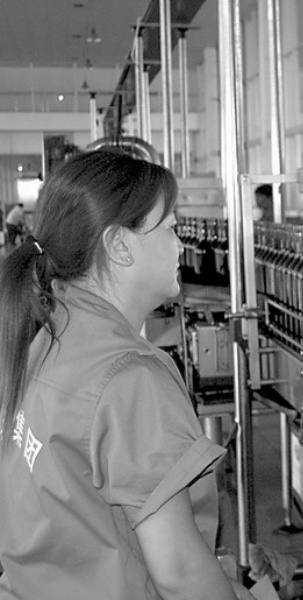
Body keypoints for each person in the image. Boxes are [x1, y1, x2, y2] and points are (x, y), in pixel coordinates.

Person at [0, 150, 254, 600]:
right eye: (171, 228)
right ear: (119, 245)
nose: (181, 245)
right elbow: (179, 573)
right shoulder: (129, 378)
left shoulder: (47, 338)